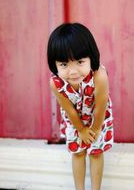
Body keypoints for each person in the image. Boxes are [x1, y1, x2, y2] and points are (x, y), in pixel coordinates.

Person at [47, 22, 113, 190]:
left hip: (97, 116)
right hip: (74, 119)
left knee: (96, 153)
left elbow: (101, 104)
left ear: (91, 57)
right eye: (64, 64)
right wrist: (81, 130)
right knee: (78, 153)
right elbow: (68, 109)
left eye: (80, 62)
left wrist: (96, 128)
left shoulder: (99, 76)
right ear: (54, 64)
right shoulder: (56, 83)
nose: (72, 71)